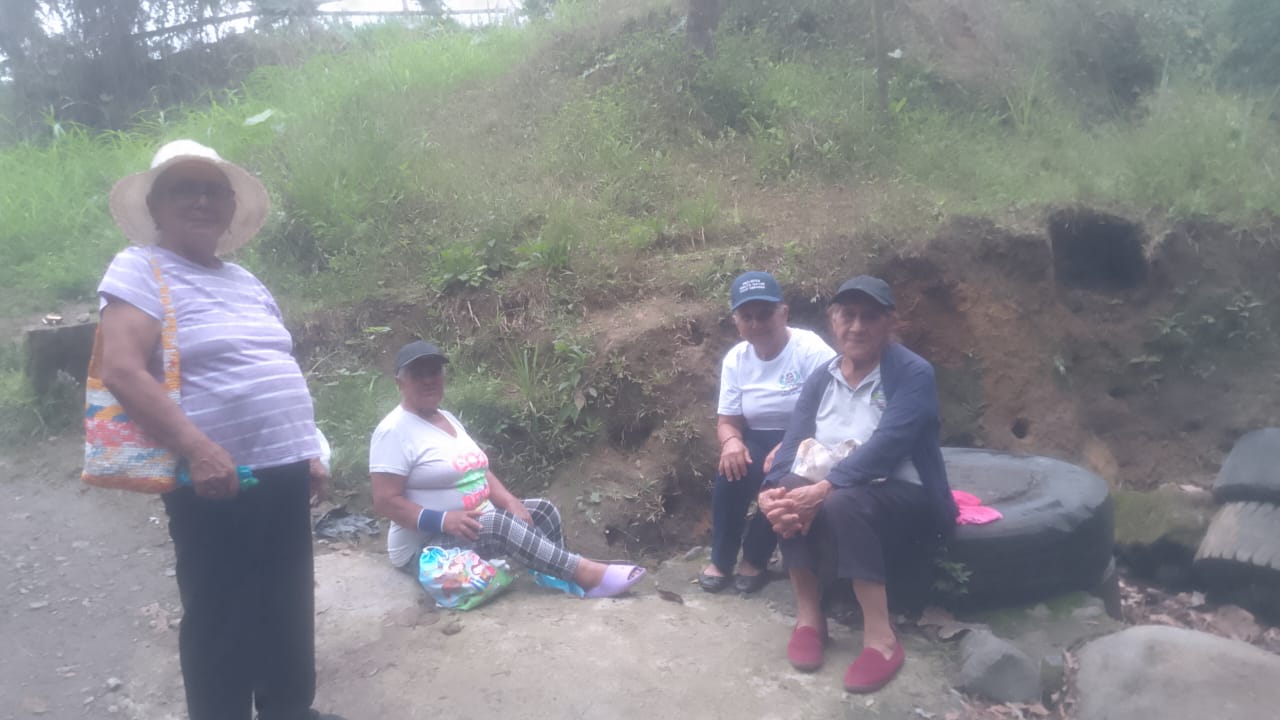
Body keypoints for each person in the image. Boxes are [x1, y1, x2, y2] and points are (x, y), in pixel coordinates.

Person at [96, 140, 343, 720]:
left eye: (213, 190)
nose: (202, 201)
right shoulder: (140, 267)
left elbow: (273, 361)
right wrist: (197, 448)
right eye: (185, 189)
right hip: (212, 471)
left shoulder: (246, 280)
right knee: (221, 614)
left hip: (283, 466)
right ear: (155, 206)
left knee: (285, 599)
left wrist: (307, 450)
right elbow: (122, 369)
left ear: (231, 208)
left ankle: (288, 711)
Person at [758, 275, 959, 694]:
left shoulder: (912, 373)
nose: (856, 327)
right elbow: (793, 443)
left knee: (841, 501)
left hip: (907, 493)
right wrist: (770, 493)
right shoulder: (822, 378)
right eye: (847, 315)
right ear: (833, 320)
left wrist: (825, 488)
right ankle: (810, 619)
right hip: (841, 489)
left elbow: (888, 447)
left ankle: (881, 640)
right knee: (789, 492)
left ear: (890, 323)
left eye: (869, 317)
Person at [369, 340, 647, 598]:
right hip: (427, 547)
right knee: (501, 524)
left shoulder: (448, 418)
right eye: (418, 374)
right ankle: (588, 576)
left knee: (542, 511)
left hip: (470, 525)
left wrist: (510, 501)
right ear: (400, 382)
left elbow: (478, 471)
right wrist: (443, 520)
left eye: (434, 372)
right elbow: (385, 501)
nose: (428, 380)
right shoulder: (394, 430)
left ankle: (556, 576)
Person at [699, 271, 834, 594]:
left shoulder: (810, 350)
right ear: (736, 322)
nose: (756, 324)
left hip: (808, 437)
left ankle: (756, 558)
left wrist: (791, 445)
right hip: (757, 436)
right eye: (747, 316)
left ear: (783, 313)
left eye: (765, 314)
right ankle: (721, 558)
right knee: (732, 471)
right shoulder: (736, 359)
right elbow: (728, 420)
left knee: (779, 479)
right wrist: (731, 442)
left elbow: (831, 408)